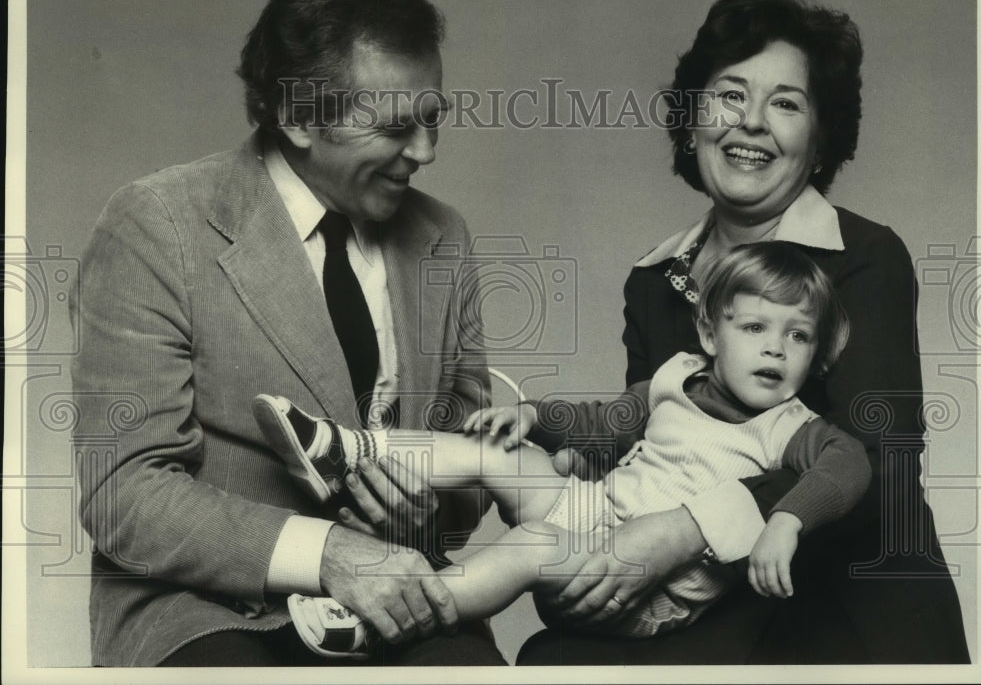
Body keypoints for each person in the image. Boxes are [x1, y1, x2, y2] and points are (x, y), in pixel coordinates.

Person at [515, 0, 971, 664]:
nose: (751, 122)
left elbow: (883, 467)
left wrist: (686, 527)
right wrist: (565, 468)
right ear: (692, 119)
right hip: (702, 598)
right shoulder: (652, 280)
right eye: (731, 94)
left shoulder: (865, 258)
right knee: (551, 660)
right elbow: (656, 439)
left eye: (785, 103)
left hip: (839, 598)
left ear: (819, 144)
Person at [70, 0, 507, 667]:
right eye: (397, 127)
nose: (426, 153)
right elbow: (123, 492)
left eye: (433, 119)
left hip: (397, 606)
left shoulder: (443, 239)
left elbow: (471, 460)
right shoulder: (156, 226)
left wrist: (427, 510)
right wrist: (329, 552)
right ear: (299, 116)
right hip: (213, 615)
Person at [254, 242, 870, 658]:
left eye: (798, 336)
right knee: (496, 454)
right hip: (595, 516)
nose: (774, 350)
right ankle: (352, 451)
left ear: (816, 355)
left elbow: (850, 464)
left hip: (635, 588)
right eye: (755, 328)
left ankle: (379, 620)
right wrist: (534, 418)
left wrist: (788, 518)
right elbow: (604, 423)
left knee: (531, 545)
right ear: (710, 332)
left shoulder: (788, 425)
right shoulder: (676, 378)